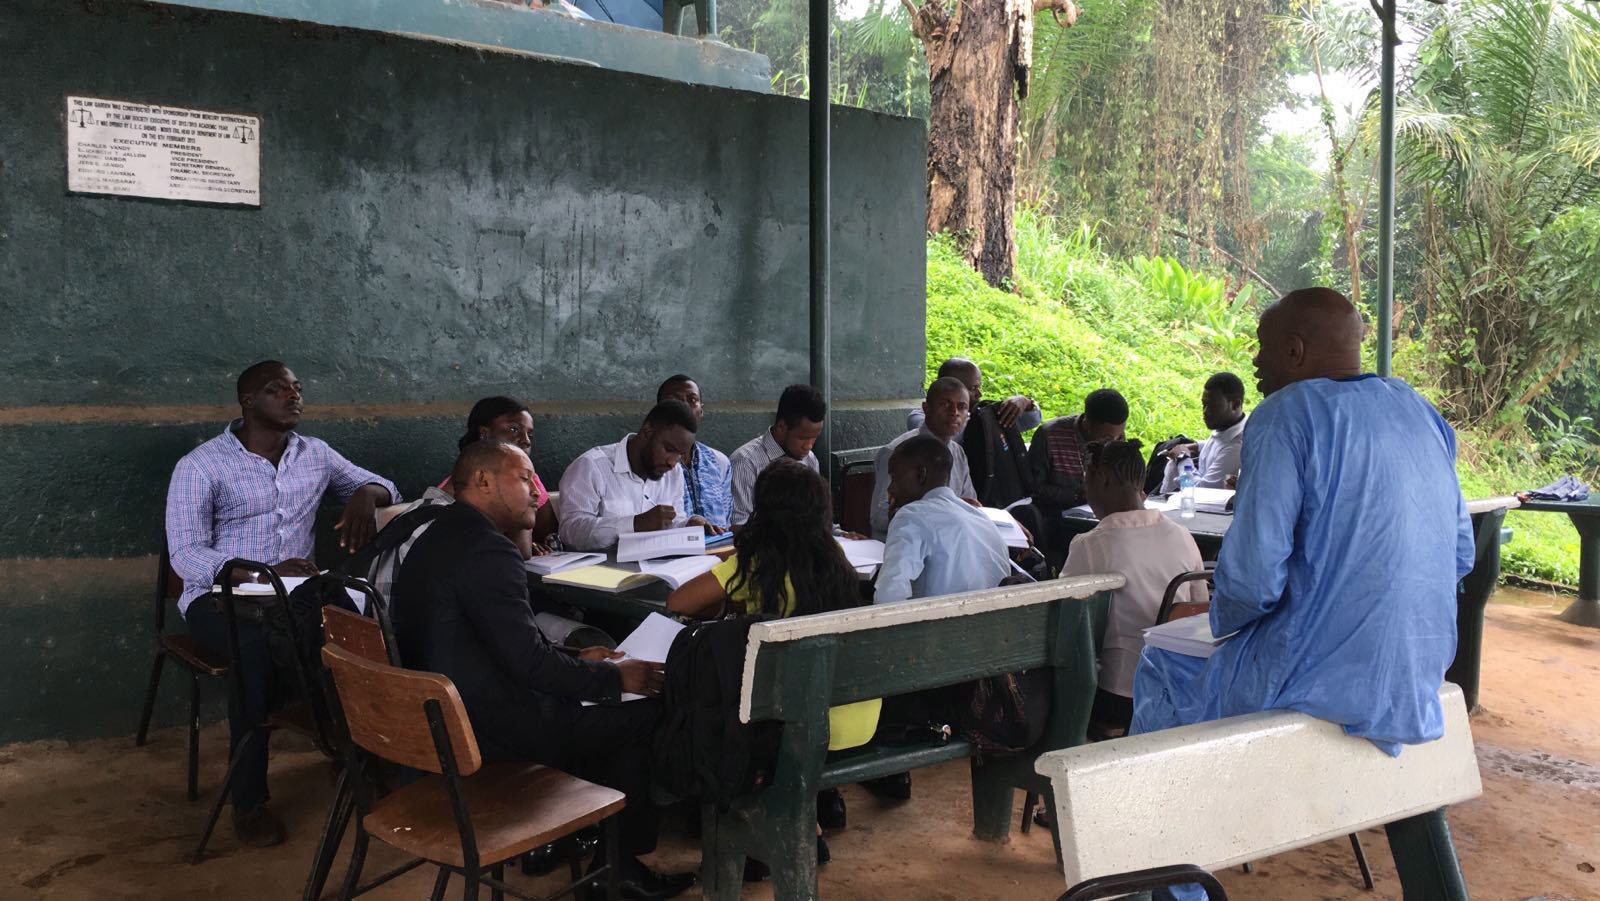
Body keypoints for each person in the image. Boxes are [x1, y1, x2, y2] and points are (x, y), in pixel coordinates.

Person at [1132, 287, 1475, 757]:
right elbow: (1460, 554)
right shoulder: (1420, 410)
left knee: (1162, 660)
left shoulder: (1284, 415)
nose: (1254, 361)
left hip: (1314, 681)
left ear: (1294, 351)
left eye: (1261, 345)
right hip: (1418, 674)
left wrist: (1217, 621)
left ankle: (1168, 826)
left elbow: (1251, 586)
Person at [391, 441, 694, 900]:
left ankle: (580, 837)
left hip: (440, 719)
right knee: (647, 713)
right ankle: (616, 869)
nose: (537, 492)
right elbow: (530, 665)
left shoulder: (438, 535)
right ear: (483, 481)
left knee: (605, 700)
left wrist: (578, 660)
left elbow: (502, 645)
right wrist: (616, 677)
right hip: (487, 734)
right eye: (524, 478)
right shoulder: (488, 551)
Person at [165, 360, 398, 848]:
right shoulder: (201, 465)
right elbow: (186, 555)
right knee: (255, 657)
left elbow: (386, 488)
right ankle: (248, 799)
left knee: (360, 636)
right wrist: (256, 570)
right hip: (221, 598)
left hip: (297, 597)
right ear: (248, 402)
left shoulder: (315, 454)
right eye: (277, 390)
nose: (293, 397)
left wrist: (365, 495)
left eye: (296, 388)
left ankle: (351, 754)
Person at [666, 459, 878, 842]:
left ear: (763, 512)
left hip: (798, 729)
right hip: (854, 721)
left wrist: (728, 567)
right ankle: (820, 802)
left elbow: (678, 602)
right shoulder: (838, 563)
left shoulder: (757, 566)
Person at [1060, 439, 1206, 733]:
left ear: (1100, 480)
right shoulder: (1182, 536)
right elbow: (1198, 610)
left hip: (1121, 693)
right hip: (1180, 685)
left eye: (1086, 481)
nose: (1084, 491)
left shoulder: (1091, 545)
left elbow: (1065, 625)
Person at [558, 400, 714, 551]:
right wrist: (634, 524)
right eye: (668, 449)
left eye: (679, 454)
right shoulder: (591, 466)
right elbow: (570, 532)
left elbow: (672, 520)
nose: (672, 463)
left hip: (659, 569)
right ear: (647, 432)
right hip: (602, 573)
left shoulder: (674, 473)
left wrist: (687, 524)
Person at [876, 435, 1012, 604]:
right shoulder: (980, 517)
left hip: (943, 626)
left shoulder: (912, 515)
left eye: (895, 478)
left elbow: (889, 595)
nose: (891, 488)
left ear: (921, 474)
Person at [907, 357, 1040, 508]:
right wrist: (972, 415)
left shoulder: (982, 415)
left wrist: (1025, 402)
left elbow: (1032, 420)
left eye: (979, 387)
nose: (980, 394)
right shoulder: (920, 417)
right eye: (973, 388)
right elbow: (939, 432)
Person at [435, 396, 557, 557]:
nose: (526, 441)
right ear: (484, 433)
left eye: (530, 435)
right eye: (514, 429)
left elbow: (550, 534)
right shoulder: (465, 484)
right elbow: (521, 550)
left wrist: (538, 542)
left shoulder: (531, 480)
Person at [869, 377, 979, 540]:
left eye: (962, 407)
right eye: (944, 404)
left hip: (947, 541)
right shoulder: (899, 452)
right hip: (900, 543)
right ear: (926, 408)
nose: (954, 412)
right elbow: (879, 518)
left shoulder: (958, 453)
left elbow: (971, 503)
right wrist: (945, 509)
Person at [728, 384, 827, 527]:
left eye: (815, 437)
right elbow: (740, 524)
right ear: (782, 426)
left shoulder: (810, 460)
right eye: (803, 438)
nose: (809, 446)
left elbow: (817, 518)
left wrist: (840, 534)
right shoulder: (745, 461)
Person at [656, 375, 732, 532]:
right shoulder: (653, 462)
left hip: (717, 553)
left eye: (692, 400)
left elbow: (727, 521)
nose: (684, 406)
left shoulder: (719, 461)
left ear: (701, 410)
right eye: (674, 399)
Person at [1159, 373, 1248, 493]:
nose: (1205, 412)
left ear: (1235, 405)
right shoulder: (1226, 429)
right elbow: (1221, 442)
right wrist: (1197, 445)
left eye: (1213, 407)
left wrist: (1183, 458)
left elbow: (1196, 492)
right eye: (1204, 405)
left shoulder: (1237, 448)